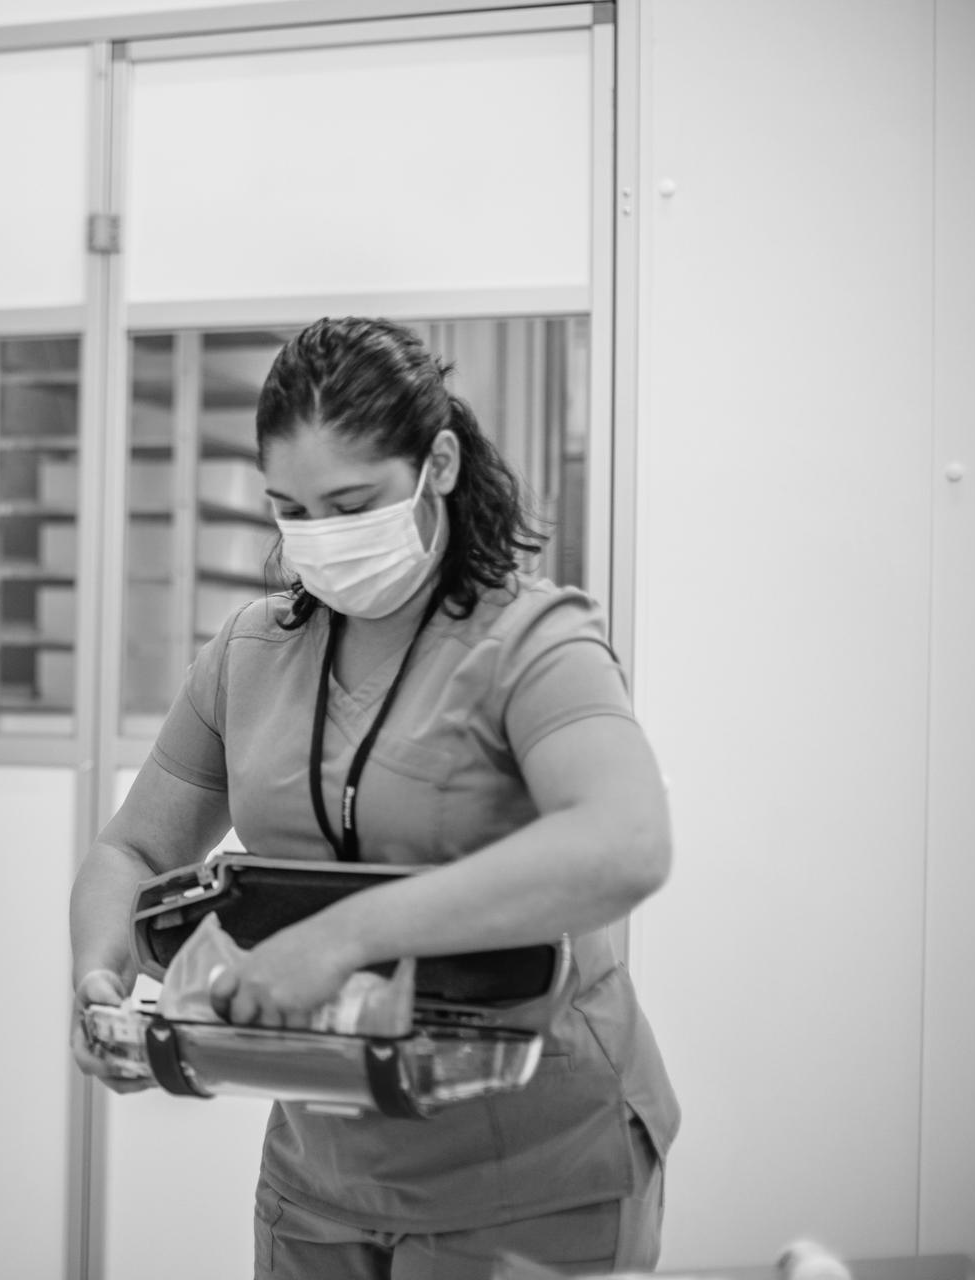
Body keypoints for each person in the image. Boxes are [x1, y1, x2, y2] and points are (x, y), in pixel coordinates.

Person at [69, 317, 679, 1280]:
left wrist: (346, 937)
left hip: (534, 1171)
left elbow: (625, 845)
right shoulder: (252, 651)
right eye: (291, 509)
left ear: (437, 465)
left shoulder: (532, 642)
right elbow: (135, 853)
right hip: (324, 1178)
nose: (319, 539)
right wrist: (104, 981)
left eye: (351, 503)